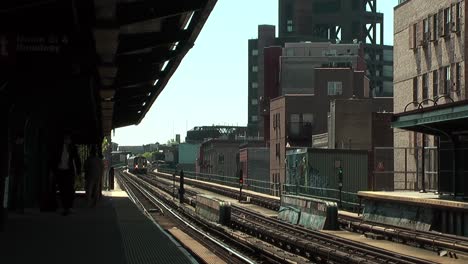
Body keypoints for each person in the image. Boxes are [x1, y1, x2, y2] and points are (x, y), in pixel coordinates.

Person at [54, 132, 81, 216]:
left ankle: (69, 206)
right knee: (62, 189)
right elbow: (54, 158)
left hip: (69, 171)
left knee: (70, 189)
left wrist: (79, 170)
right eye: (66, 139)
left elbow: (77, 159)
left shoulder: (72, 148)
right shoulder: (58, 148)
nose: (67, 141)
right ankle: (65, 207)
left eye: (68, 139)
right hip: (61, 170)